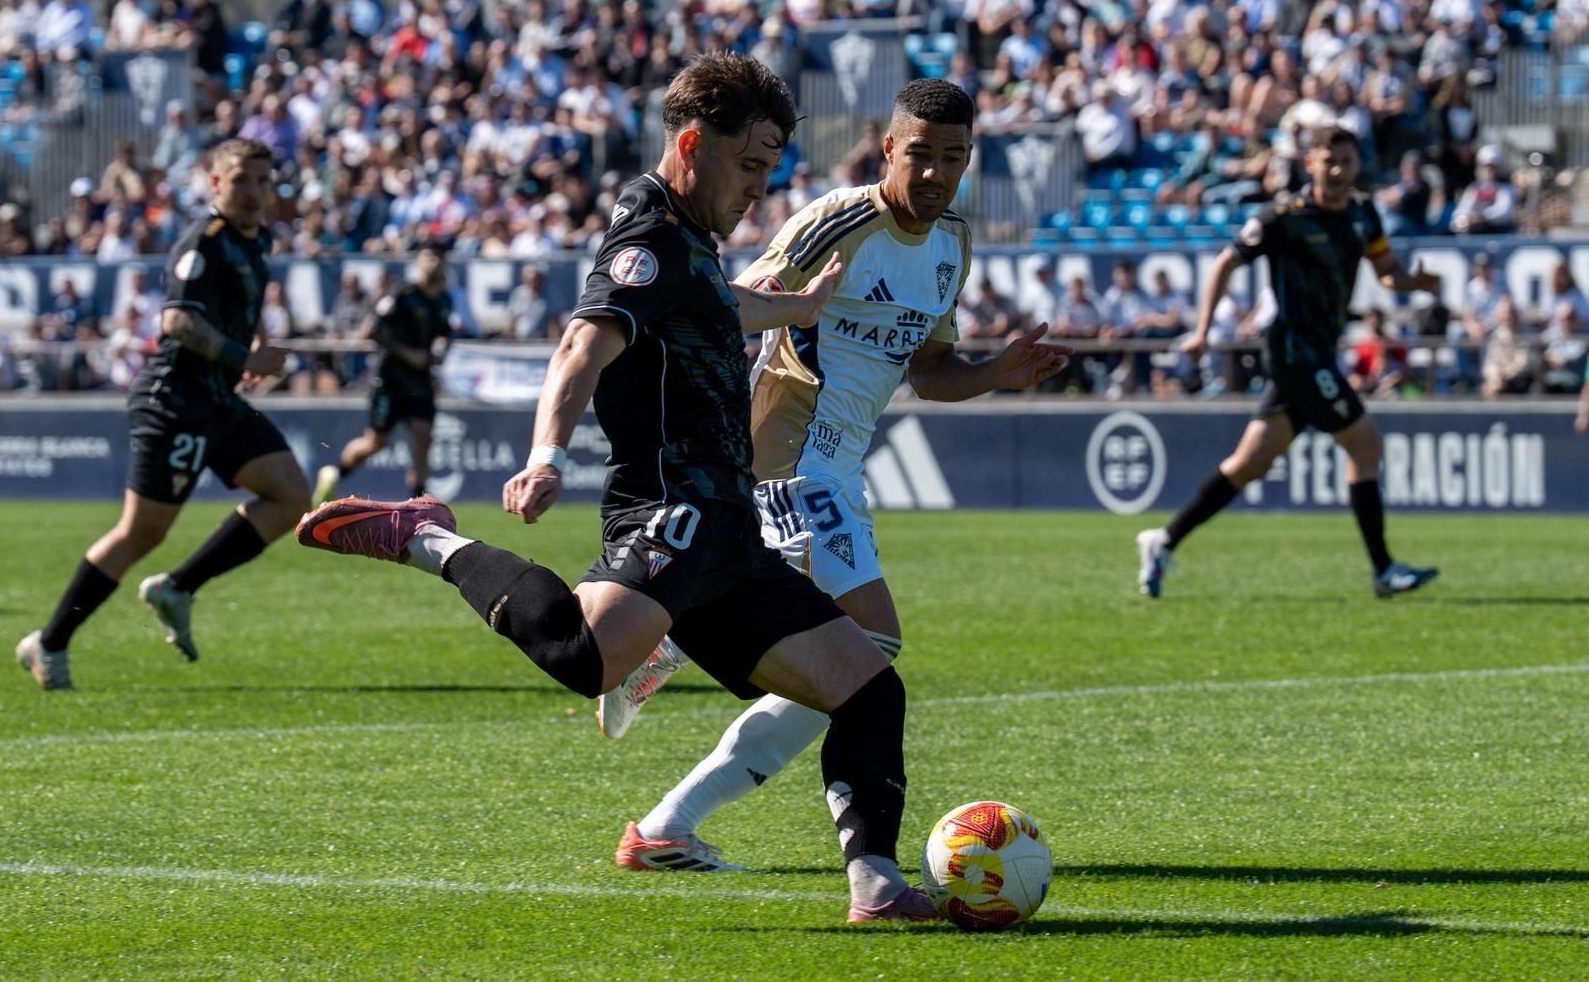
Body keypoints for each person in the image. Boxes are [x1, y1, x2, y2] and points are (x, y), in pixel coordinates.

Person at [294, 53, 937, 924]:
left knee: (868, 682)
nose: (760, 185)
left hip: (731, 540)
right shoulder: (646, 240)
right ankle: (424, 537)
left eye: (770, 166)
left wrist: (796, 310)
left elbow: (716, 304)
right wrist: (546, 451)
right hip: (669, 510)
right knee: (585, 657)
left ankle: (876, 883)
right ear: (690, 144)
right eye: (749, 164)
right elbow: (583, 345)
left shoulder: (694, 245)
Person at [597, 79, 1068, 873]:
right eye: (919, 153)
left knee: (858, 650)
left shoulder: (952, 241)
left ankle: (667, 650)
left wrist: (997, 375)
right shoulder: (841, 222)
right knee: (868, 643)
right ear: (889, 148)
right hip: (784, 457)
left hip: (839, 470)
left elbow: (931, 372)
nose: (934, 173)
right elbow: (727, 300)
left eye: (953, 158)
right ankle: (669, 804)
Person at [16, 139, 310, 690]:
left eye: (261, 182)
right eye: (241, 180)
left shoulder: (258, 239)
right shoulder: (203, 241)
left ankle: (177, 587)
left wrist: (248, 353)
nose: (252, 192)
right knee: (140, 534)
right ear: (215, 184)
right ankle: (48, 643)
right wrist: (243, 356)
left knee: (292, 496)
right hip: (173, 402)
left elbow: (241, 309)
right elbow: (176, 322)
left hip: (218, 401)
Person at [1134, 127, 1441, 600]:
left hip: (1319, 349)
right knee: (1365, 444)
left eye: (1347, 160)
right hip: (1296, 353)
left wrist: (1416, 283)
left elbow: (1386, 272)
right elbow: (1225, 263)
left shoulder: (1362, 214)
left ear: (1358, 164)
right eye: (1329, 160)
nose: (1338, 170)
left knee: (1248, 464)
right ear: (1311, 163)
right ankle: (1383, 570)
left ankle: (1164, 540)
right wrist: (1201, 331)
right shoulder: (1283, 217)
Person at [313, 245, 453, 503]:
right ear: (419, 263)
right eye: (429, 255)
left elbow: (445, 334)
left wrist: (440, 350)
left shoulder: (444, 299)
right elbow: (372, 330)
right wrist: (409, 353)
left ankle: (417, 506)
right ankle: (333, 472)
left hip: (420, 381)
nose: (435, 260)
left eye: (439, 256)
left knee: (424, 438)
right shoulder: (403, 294)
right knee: (375, 443)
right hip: (390, 380)